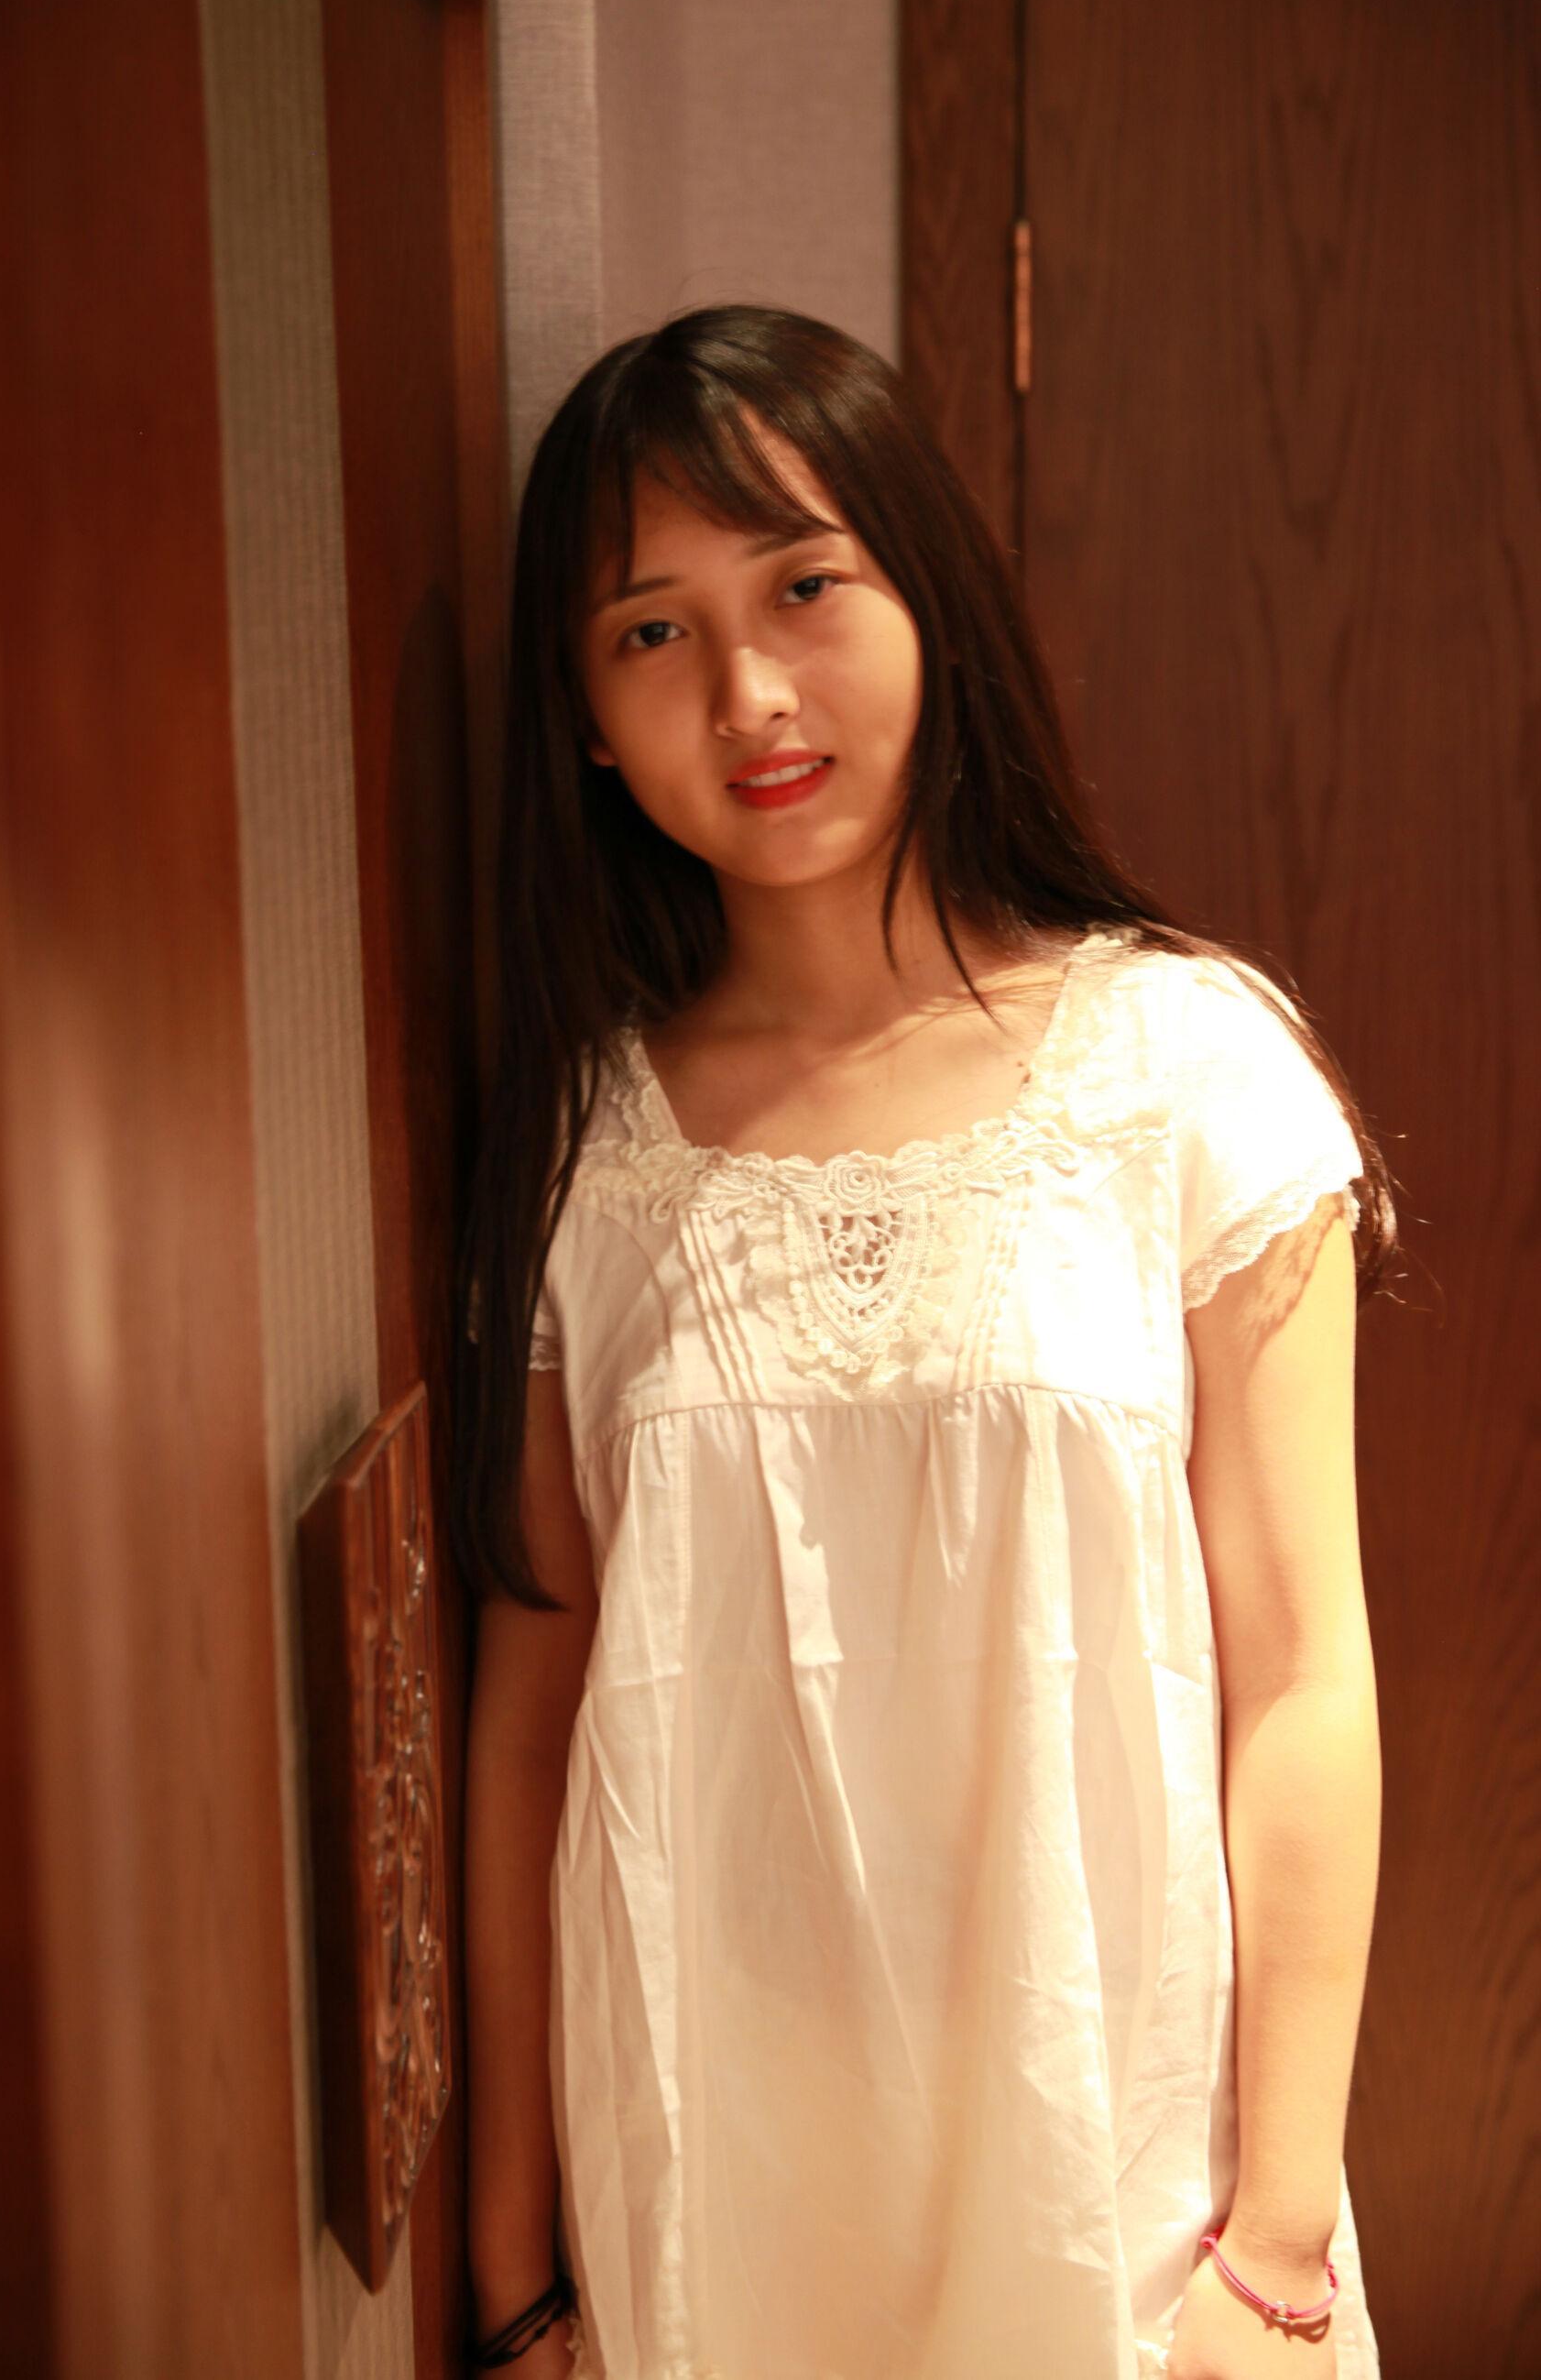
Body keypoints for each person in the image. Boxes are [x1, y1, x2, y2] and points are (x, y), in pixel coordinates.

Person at [454, 304, 1394, 2380]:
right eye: (651, 632)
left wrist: (1279, 2245)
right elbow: (527, 1724)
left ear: (930, 602)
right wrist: (512, 2274)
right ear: (584, 719)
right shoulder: (582, 1153)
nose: (749, 694)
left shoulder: (1187, 1070)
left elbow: (1303, 1674)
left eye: (804, 586)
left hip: (1129, 2182)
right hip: (715, 2172)